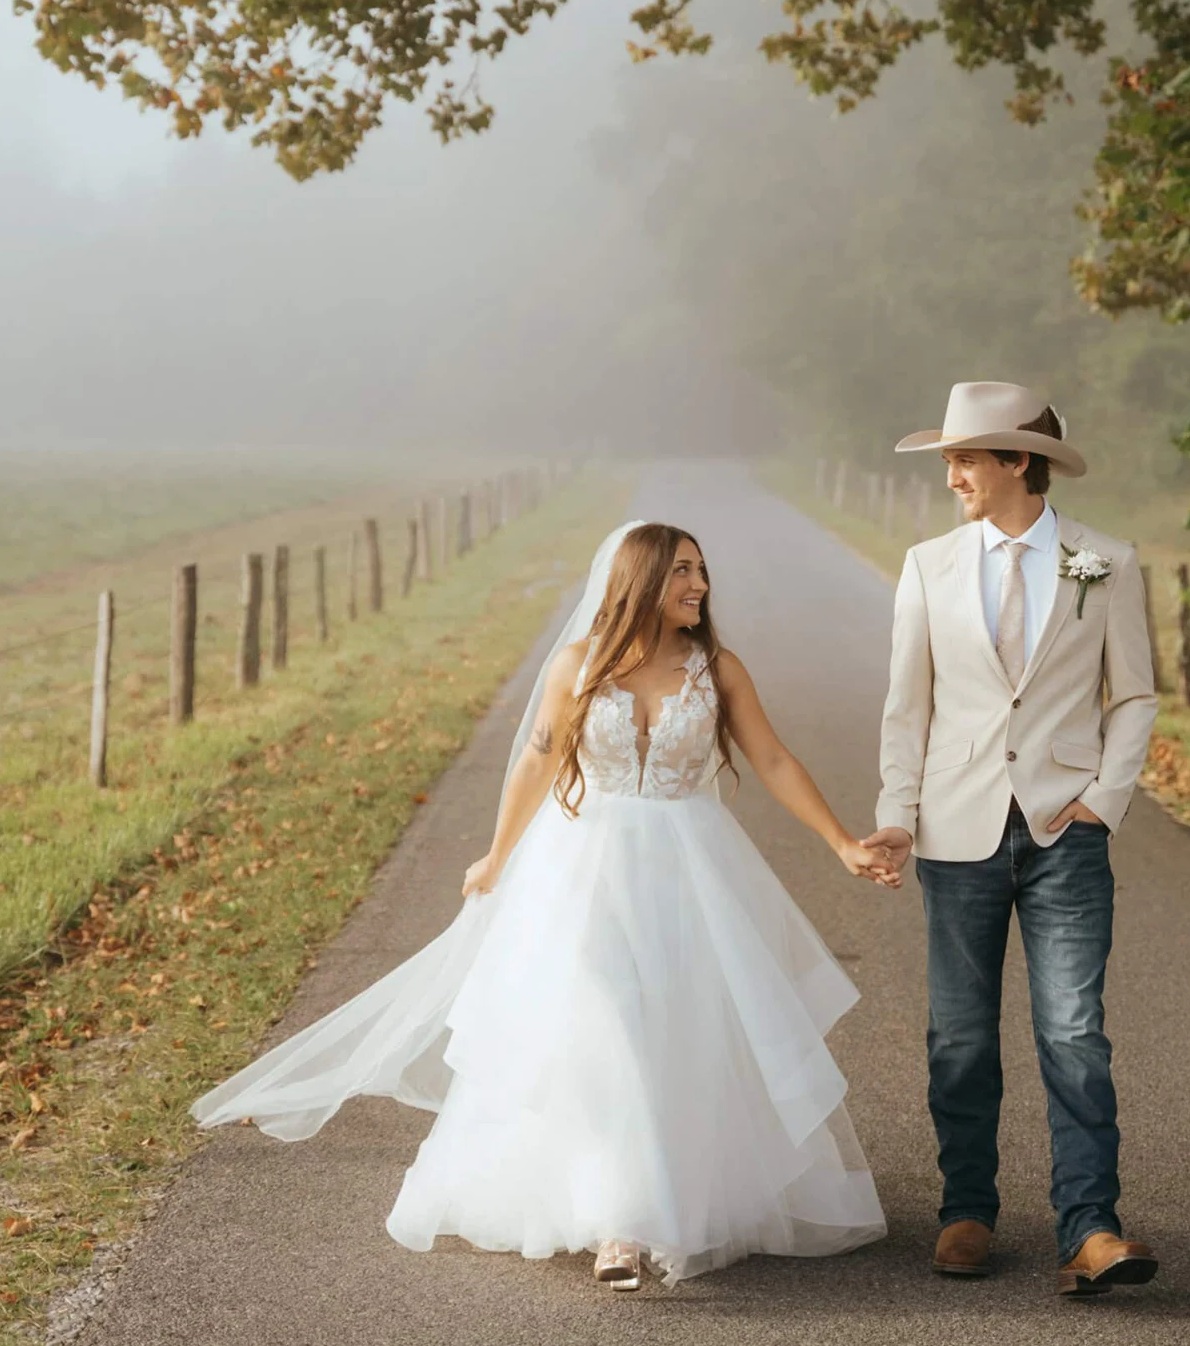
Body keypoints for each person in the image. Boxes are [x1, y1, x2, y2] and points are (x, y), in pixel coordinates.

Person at [195, 521, 893, 1289]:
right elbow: (535, 760)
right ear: (638, 582)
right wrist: (495, 855)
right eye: (680, 572)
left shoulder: (716, 669)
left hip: (687, 873)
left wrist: (839, 842)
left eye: (700, 571)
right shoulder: (576, 665)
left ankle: (666, 1197)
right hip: (581, 868)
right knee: (603, 1023)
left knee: (671, 1031)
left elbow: (770, 757)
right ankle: (618, 1227)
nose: (698, 585)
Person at [866, 382, 1159, 1297]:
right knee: (958, 1036)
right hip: (956, 828)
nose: (951, 473)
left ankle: (1090, 1228)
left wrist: (1105, 799)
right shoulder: (926, 565)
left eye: (965, 458)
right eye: (949, 458)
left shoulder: (1104, 562)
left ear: (1016, 464)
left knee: (1075, 1032)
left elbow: (1135, 693)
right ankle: (966, 1211)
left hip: (1065, 830)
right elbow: (905, 703)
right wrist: (896, 814)